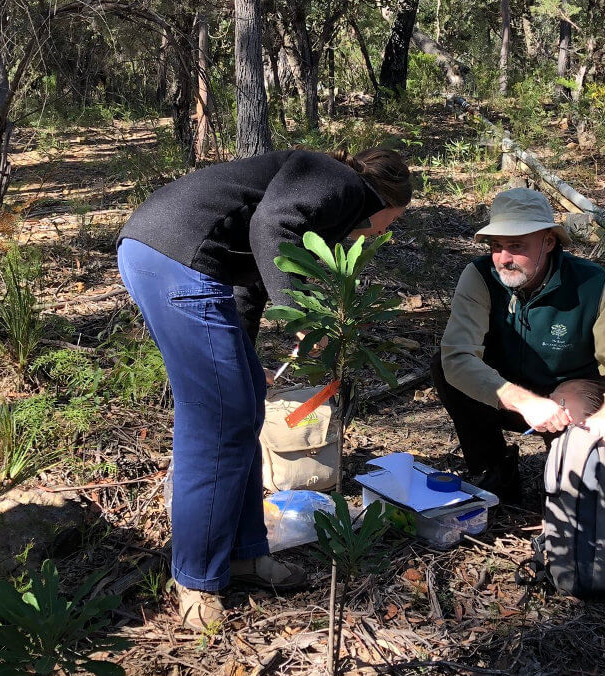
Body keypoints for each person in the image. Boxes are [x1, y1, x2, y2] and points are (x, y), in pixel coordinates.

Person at [117, 147, 411, 629]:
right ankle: (196, 578)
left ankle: (243, 555)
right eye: (388, 222)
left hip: (174, 254)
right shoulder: (339, 184)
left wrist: (250, 359)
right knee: (216, 421)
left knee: (246, 399)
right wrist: (303, 312)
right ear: (382, 200)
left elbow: (249, 280)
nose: (380, 233)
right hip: (174, 254)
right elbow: (271, 226)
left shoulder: (328, 204)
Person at [431, 188, 605, 503]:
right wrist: (521, 401)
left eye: (516, 246)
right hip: (504, 390)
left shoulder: (593, 286)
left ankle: (569, 489)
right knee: (444, 367)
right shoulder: (480, 277)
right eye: (496, 246)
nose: (503, 259)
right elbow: (457, 356)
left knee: (575, 416)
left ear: (549, 242)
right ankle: (493, 471)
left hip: (567, 393)